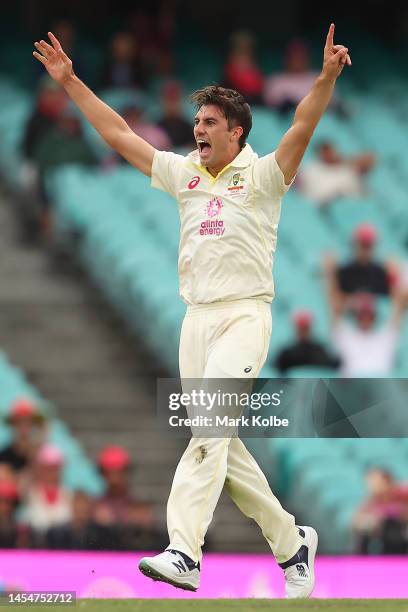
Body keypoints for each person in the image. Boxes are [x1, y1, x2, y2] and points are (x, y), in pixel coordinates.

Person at [33, 23, 352, 598]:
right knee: (220, 444)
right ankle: (292, 541)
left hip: (243, 317)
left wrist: (326, 78)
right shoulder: (184, 174)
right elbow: (120, 134)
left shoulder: (262, 177)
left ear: (236, 132)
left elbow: (302, 124)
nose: (197, 129)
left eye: (209, 123)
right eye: (197, 121)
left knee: (208, 430)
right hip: (195, 322)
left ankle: (185, 549)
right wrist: (72, 81)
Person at [324, 257, 408, 377]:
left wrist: (396, 277)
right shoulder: (347, 336)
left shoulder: (384, 338)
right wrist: (331, 276)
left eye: (368, 315)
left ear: (374, 316)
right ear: (356, 316)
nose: (365, 319)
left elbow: (399, 308)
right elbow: (334, 309)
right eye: (362, 315)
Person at [297, 140, 376, 206]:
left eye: (332, 151)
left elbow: (358, 194)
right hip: (318, 207)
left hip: (344, 207)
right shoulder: (310, 168)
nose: (330, 155)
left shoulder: (346, 172)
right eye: (326, 152)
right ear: (320, 154)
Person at [352, 468, 408, 554]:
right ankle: (362, 561)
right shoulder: (373, 498)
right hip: (384, 535)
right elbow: (356, 522)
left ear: (387, 481)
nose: (372, 486)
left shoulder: (403, 493)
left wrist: (394, 512)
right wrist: (370, 521)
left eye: (375, 482)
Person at [334, 224, 393, 297]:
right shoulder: (344, 271)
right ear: (354, 244)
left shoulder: (380, 273)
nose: (365, 251)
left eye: (368, 246)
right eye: (363, 245)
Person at [275, 310, 340, 374]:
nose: (303, 332)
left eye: (305, 328)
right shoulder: (286, 354)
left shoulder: (319, 351)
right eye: (300, 328)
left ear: (310, 328)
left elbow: (334, 365)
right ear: (296, 329)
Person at [223, 31, 264, 106]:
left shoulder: (256, 71)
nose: (243, 52)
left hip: (253, 104)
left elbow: (258, 90)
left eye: (246, 48)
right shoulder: (227, 71)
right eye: (239, 48)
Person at [157, 81, 196, 150]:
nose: (171, 105)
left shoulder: (188, 127)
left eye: (174, 100)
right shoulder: (157, 127)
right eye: (169, 100)